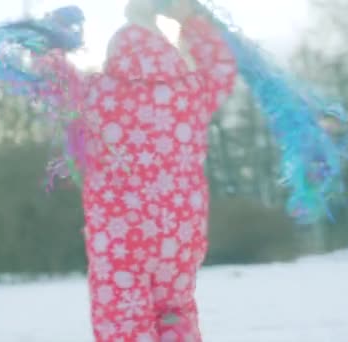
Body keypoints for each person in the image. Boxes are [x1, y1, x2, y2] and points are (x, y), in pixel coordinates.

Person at [34, 0, 236, 340]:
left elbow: (53, 80)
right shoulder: (191, 93)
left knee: (124, 320)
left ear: (115, 57)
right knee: (177, 311)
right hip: (179, 238)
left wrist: (50, 42)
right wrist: (189, 18)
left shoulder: (95, 96)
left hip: (121, 240)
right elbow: (220, 67)